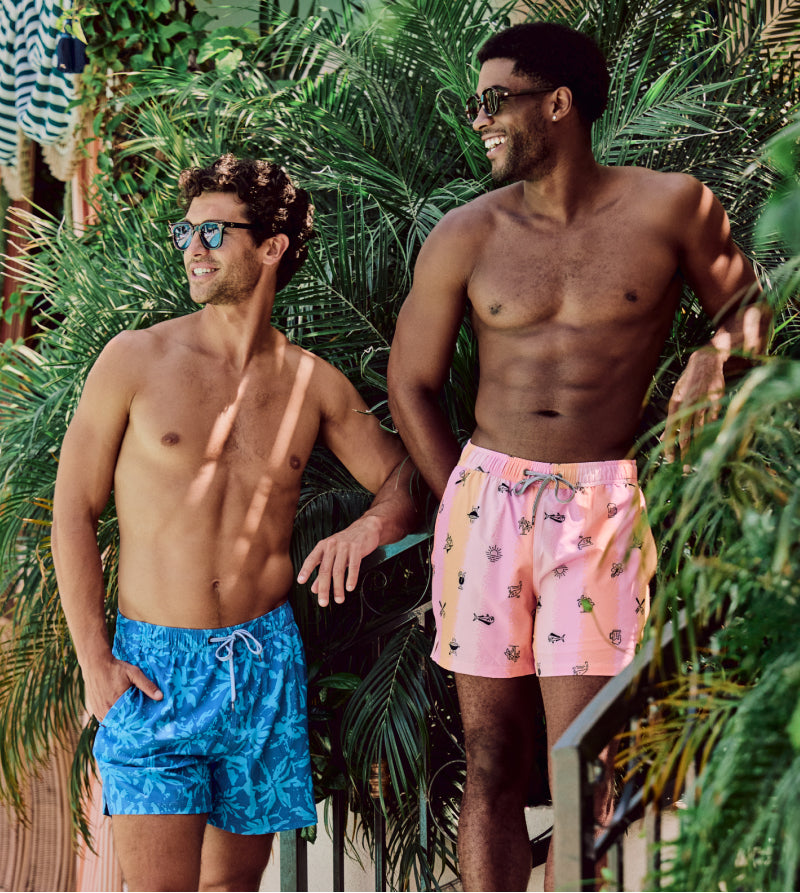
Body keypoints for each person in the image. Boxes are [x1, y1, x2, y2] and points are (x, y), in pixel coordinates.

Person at [387, 21, 767, 893]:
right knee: (488, 759)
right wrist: (463, 498)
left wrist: (716, 355)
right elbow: (411, 381)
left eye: (494, 100)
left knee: (583, 764)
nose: (477, 118)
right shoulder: (465, 234)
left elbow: (752, 316)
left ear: (557, 104)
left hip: (602, 505)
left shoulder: (673, 207)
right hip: (488, 491)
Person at [52, 154, 420, 892]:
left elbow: (403, 477)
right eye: (187, 230)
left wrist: (368, 527)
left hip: (262, 664)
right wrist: (96, 661)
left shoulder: (312, 383)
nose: (193, 246)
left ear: (272, 246)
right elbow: (72, 509)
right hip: (153, 670)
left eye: (214, 232)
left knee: (233, 888)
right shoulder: (136, 359)